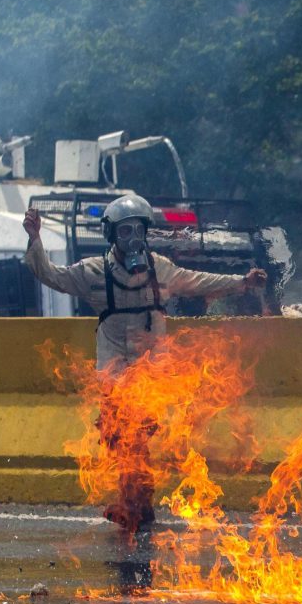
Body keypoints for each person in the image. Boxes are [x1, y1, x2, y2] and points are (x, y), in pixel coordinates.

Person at [23, 194, 266, 533]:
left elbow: (198, 281)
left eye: (138, 230)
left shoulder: (160, 269)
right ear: (112, 235)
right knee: (121, 440)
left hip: (150, 374)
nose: (133, 239)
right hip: (113, 374)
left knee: (132, 438)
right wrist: (35, 239)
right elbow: (51, 275)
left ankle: (136, 505)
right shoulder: (93, 272)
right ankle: (138, 504)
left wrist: (242, 282)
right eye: (125, 232)